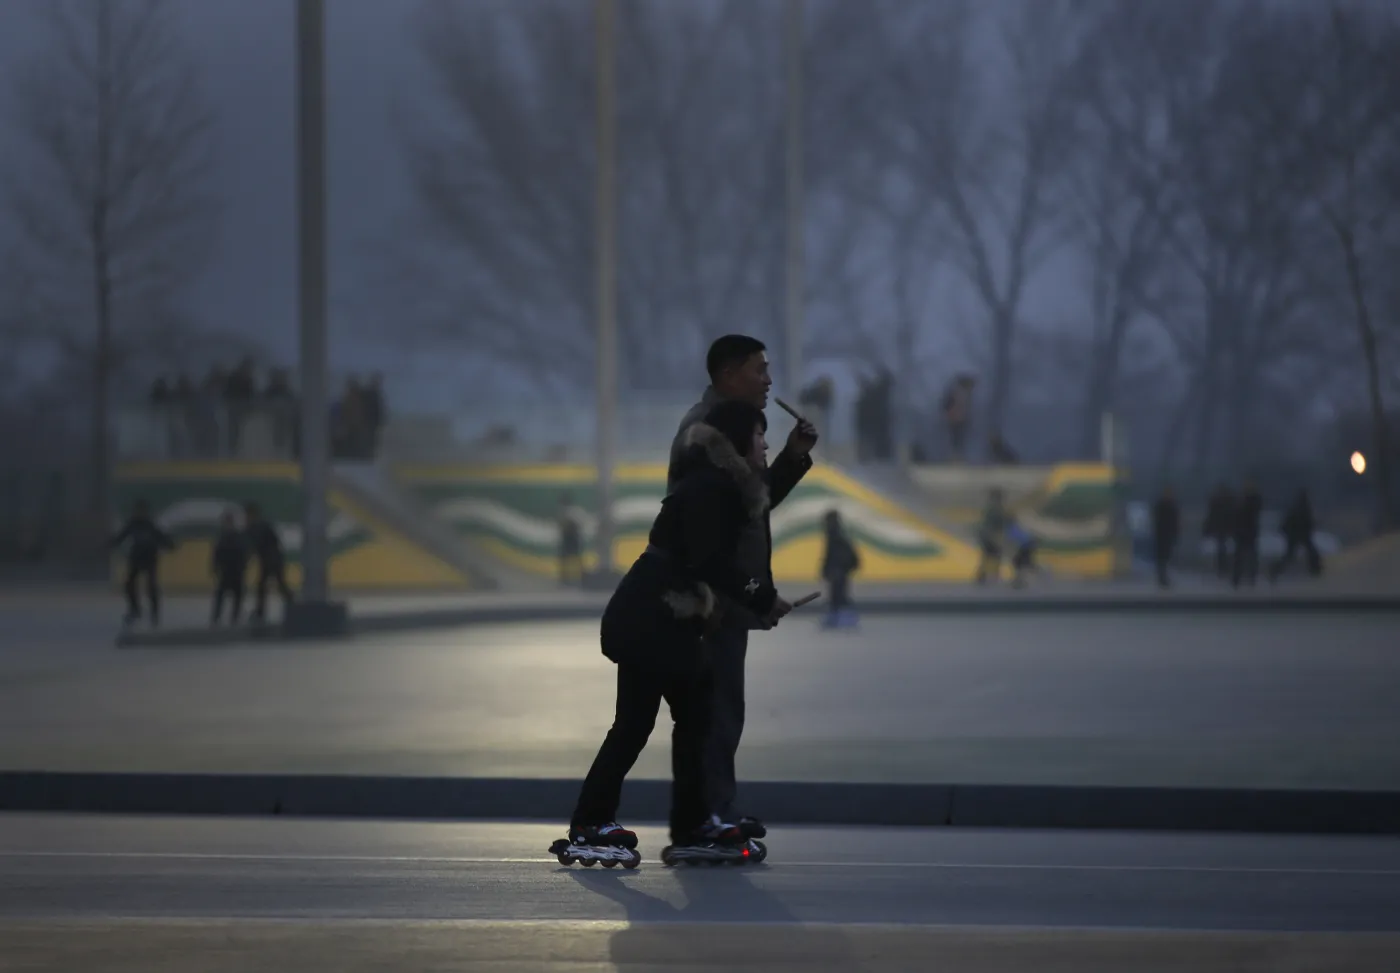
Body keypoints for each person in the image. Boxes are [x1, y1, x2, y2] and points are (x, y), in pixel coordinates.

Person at [554, 400, 796, 866]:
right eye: (760, 435)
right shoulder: (709, 489)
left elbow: (734, 533)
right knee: (638, 725)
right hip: (648, 619)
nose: (766, 443)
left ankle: (690, 825)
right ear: (738, 443)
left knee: (695, 719)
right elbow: (708, 560)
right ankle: (593, 823)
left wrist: (754, 603)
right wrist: (761, 597)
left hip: (666, 619)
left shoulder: (724, 487)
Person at [666, 334, 818, 843]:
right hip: (710, 601)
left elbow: (748, 505)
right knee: (713, 712)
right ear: (729, 375)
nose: (769, 381)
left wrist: (794, 458)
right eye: (760, 370)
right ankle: (708, 818)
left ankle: (714, 812)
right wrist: (755, 592)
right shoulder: (704, 436)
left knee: (721, 710)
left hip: (725, 596)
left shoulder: (725, 431)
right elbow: (707, 540)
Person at [111, 499, 175, 628]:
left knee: (151, 587)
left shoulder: (149, 525)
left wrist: (169, 544)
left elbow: (161, 537)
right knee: (129, 584)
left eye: (141, 511)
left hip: (149, 558)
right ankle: (135, 609)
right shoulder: (133, 524)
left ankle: (154, 614)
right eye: (137, 511)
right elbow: (121, 536)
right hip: (136, 558)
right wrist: (111, 543)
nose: (139, 514)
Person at [244, 503, 295, 622]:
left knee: (265, 585)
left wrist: (247, 560)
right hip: (273, 558)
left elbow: (253, 546)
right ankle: (292, 605)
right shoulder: (261, 525)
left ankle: (261, 612)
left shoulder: (257, 526)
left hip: (270, 559)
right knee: (278, 585)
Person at [1270, 488, 1322, 582]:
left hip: (1296, 535)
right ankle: (1315, 571)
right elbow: (1305, 522)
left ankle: (1275, 570)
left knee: (1291, 555)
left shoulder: (1298, 506)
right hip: (1299, 535)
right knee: (1309, 553)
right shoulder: (1302, 507)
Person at [820, 509, 860, 629]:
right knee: (839, 594)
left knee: (838, 595)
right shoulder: (839, 534)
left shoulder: (833, 535)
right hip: (841, 570)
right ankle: (842, 617)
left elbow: (830, 554)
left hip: (838, 570)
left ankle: (841, 618)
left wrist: (826, 568)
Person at [211, 510, 250, 625]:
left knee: (236, 595)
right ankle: (217, 618)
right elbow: (217, 554)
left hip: (236, 571)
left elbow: (244, 553)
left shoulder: (237, 537)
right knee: (221, 595)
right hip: (227, 571)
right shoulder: (224, 537)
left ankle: (234, 617)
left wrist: (243, 566)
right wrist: (215, 567)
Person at [1232, 480, 1263, 589]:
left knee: (1250, 556)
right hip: (1243, 531)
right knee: (1240, 556)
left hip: (1248, 531)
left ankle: (1250, 577)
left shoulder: (1252, 500)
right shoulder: (1242, 500)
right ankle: (1237, 578)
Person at [975, 488, 1008, 584]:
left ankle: (982, 575)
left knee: (986, 556)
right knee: (996, 556)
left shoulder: (988, 509)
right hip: (992, 536)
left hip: (985, 536)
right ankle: (995, 576)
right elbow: (1000, 525)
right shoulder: (999, 509)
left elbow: (984, 523)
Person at [1202, 484, 1235, 579]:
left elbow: (1212, 516)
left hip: (1223, 528)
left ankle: (1224, 568)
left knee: (1223, 549)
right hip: (1223, 529)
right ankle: (1223, 568)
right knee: (1222, 549)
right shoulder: (1227, 502)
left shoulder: (1218, 502)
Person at [1152, 486, 1181, 589]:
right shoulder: (1167, 505)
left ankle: (1163, 577)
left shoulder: (1166, 505)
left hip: (1165, 534)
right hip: (1163, 534)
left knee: (1165, 557)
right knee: (1162, 557)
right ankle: (1162, 577)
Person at [557, 493, 584, 586]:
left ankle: (578, 577)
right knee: (566, 559)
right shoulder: (563, 511)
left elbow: (578, 524)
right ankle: (565, 578)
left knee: (575, 558)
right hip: (568, 538)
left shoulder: (573, 512)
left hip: (572, 538)